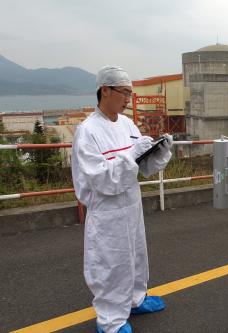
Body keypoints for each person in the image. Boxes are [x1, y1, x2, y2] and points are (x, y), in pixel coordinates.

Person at [71, 66, 173, 333]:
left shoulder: (127, 125)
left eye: (130, 93)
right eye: (124, 93)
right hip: (107, 209)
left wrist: (157, 152)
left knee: (136, 255)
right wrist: (131, 156)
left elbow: (142, 167)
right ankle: (110, 319)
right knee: (110, 261)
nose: (128, 99)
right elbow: (101, 179)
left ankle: (135, 298)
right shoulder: (89, 131)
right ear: (105, 90)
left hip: (130, 203)